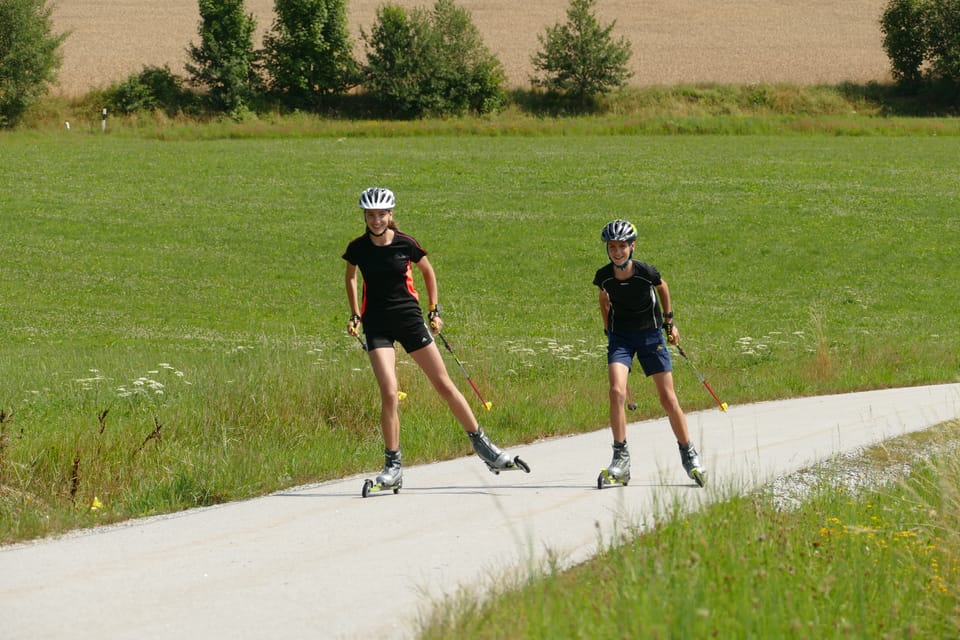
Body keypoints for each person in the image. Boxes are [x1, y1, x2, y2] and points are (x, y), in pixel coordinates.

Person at [343, 187, 526, 494]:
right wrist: (355, 315)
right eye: (371, 215)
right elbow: (350, 276)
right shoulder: (358, 248)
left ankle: (487, 450)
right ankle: (393, 467)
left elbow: (428, 271)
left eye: (382, 214)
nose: (376, 220)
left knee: (444, 385)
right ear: (365, 216)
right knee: (389, 392)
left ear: (390, 215)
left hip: (409, 320)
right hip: (377, 325)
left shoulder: (405, 244)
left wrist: (434, 310)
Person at [593, 219, 705, 488]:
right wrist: (607, 328)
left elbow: (662, 287)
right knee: (616, 392)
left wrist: (670, 322)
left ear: (632, 247)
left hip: (650, 335)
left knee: (667, 398)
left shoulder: (645, 272)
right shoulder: (604, 276)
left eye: (622, 246)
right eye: (612, 247)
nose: (617, 252)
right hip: (621, 338)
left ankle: (688, 453)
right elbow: (604, 298)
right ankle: (620, 460)